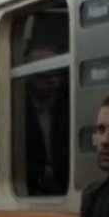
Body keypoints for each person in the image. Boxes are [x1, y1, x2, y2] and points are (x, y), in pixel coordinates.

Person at [22, 44, 70, 197]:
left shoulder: (68, 110)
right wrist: (40, 173)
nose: (52, 80)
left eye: (56, 74)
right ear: (28, 76)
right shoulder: (17, 113)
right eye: (45, 74)